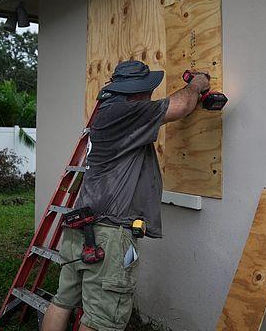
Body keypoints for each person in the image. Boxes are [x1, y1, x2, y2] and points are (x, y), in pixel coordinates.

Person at [42, 60, 210, 331]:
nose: (150, 96)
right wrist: (197, 84)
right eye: (147, 91)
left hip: (81, 228)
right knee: (100, 319)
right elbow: (181, 106)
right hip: (107, 236)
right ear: (138, 93)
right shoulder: (126, 112)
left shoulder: (106, 112)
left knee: (63, 300)